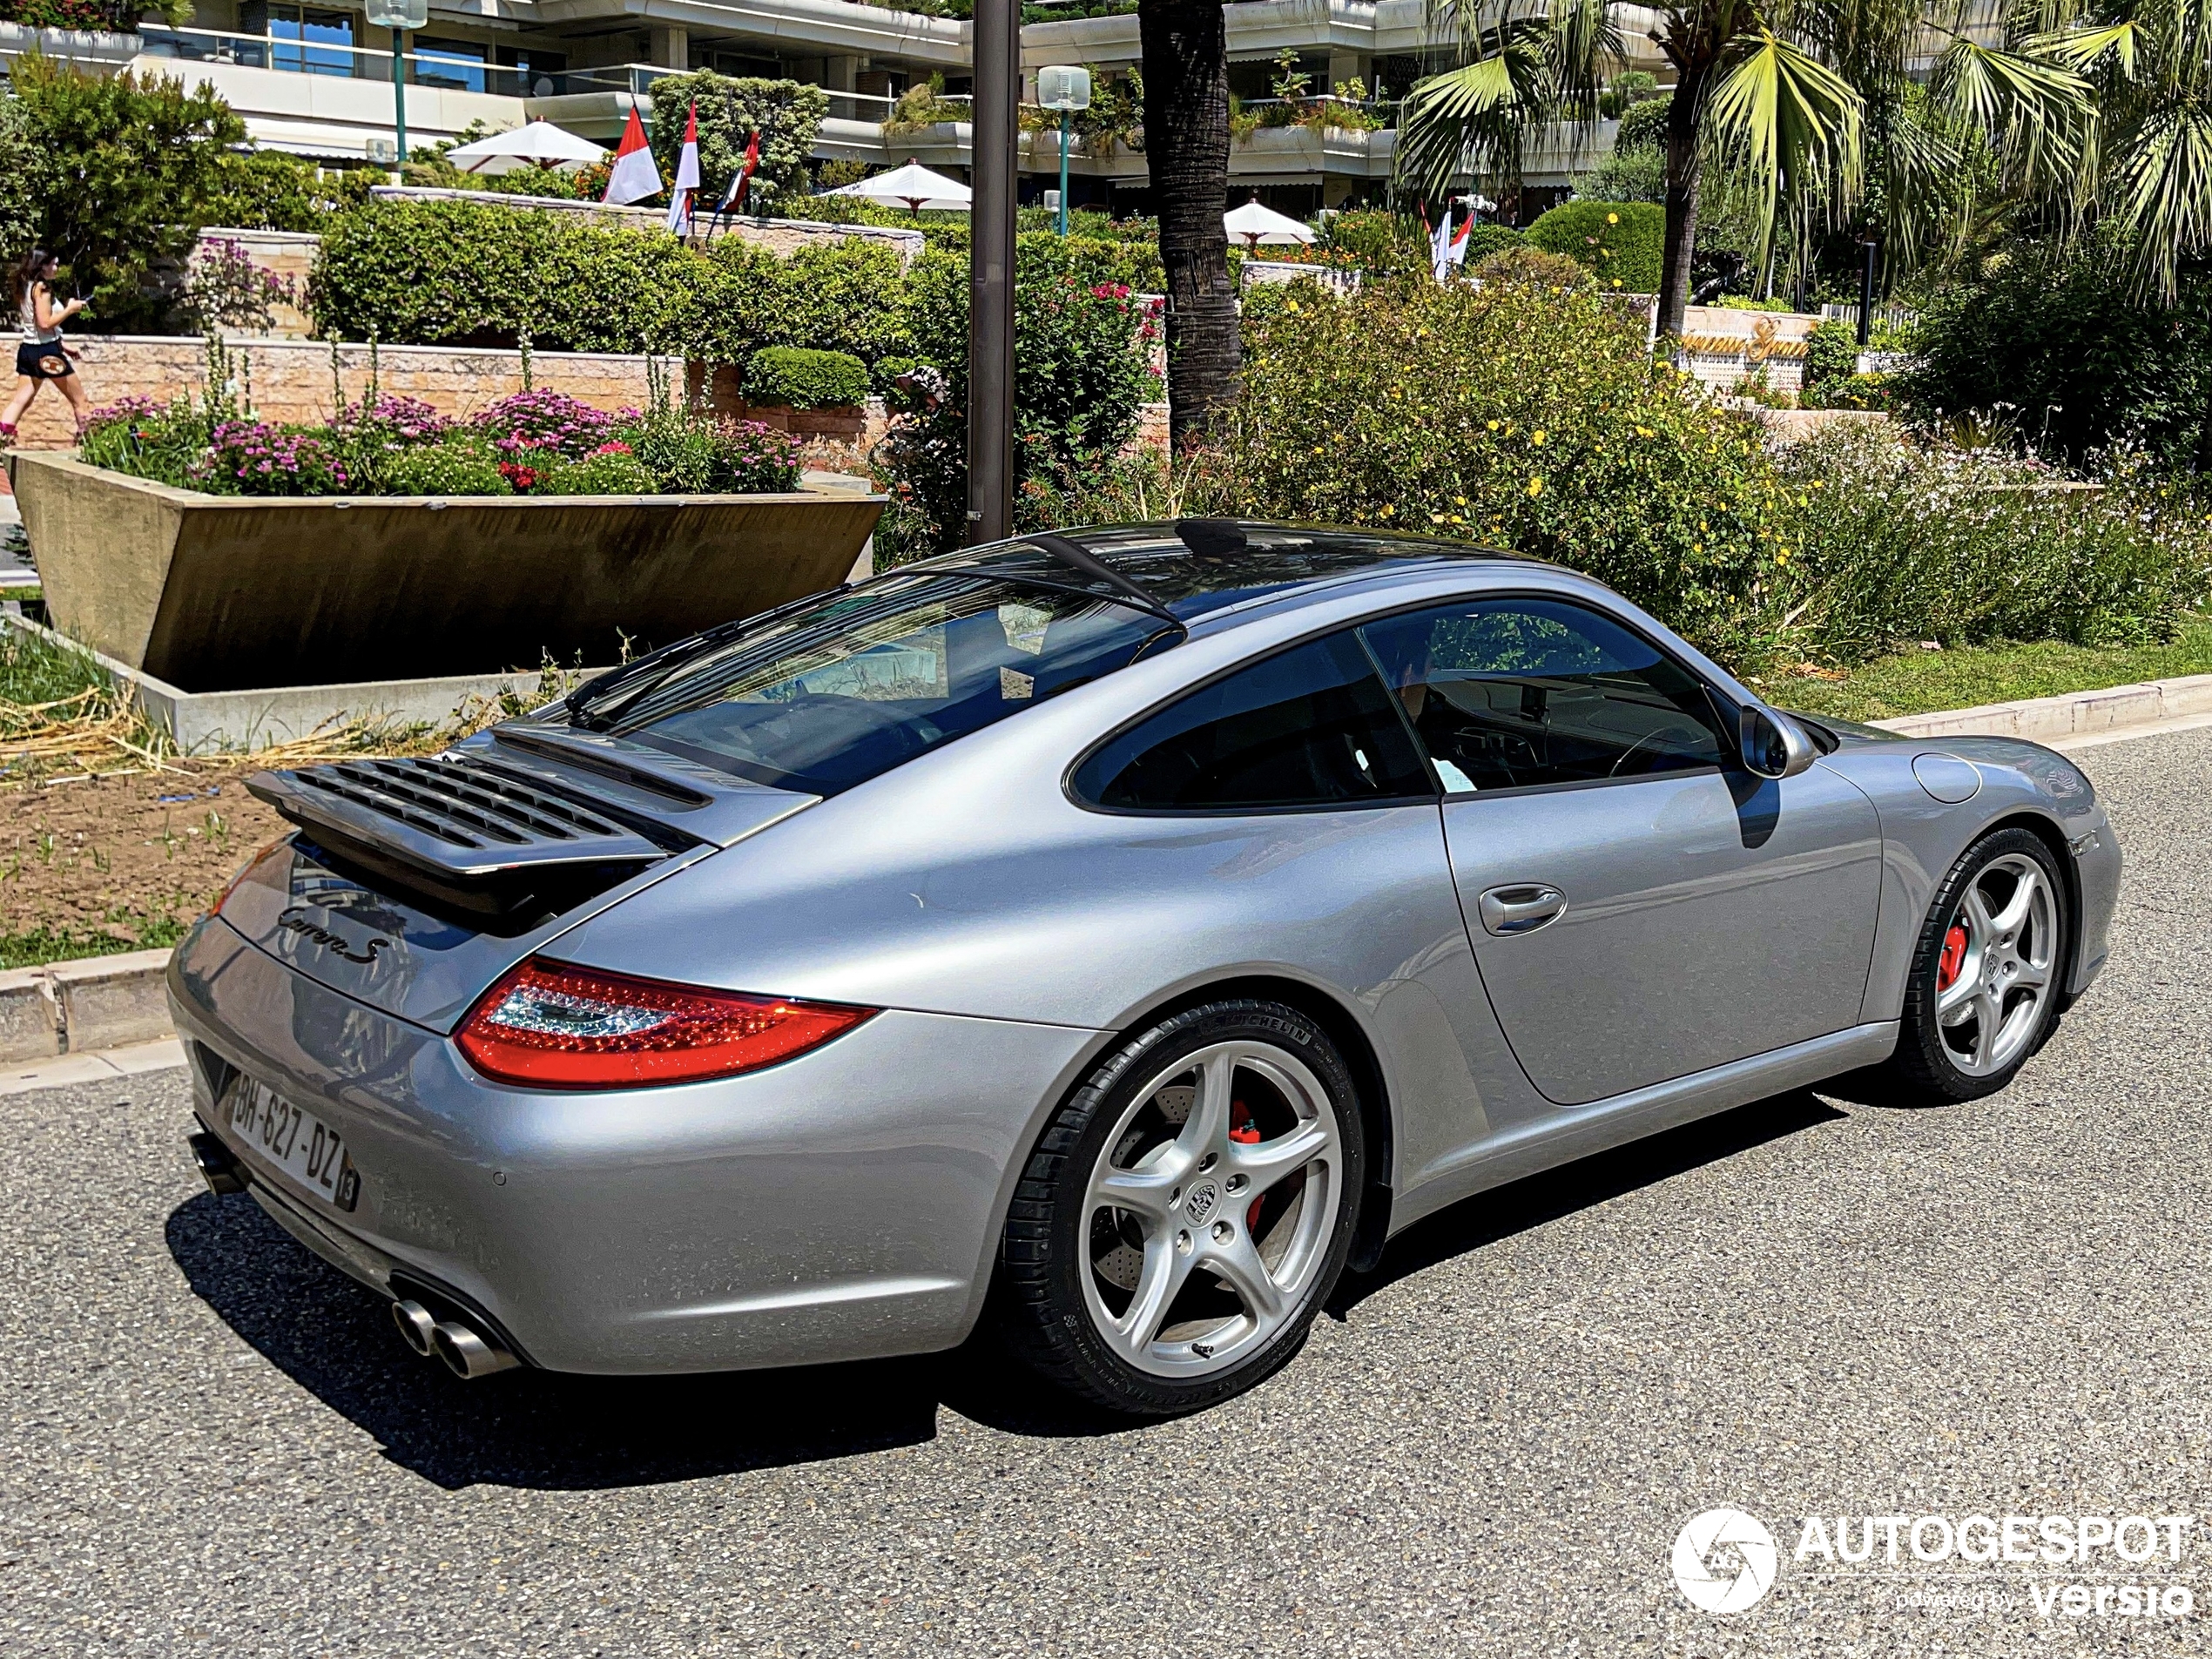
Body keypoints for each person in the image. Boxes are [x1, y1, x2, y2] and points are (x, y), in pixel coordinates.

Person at [1, 249, 91, 447]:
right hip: (47, 354)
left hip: (29, 351)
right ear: (42, 265)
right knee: (80, 400)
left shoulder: (26, 287)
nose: (56, 268)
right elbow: (44, 323)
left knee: (20, 400)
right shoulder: (42, 289)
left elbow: (36, 328)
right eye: (54, 264)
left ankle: (2, 439)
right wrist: (70, 309)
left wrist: (63, 345)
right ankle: (91, 444)